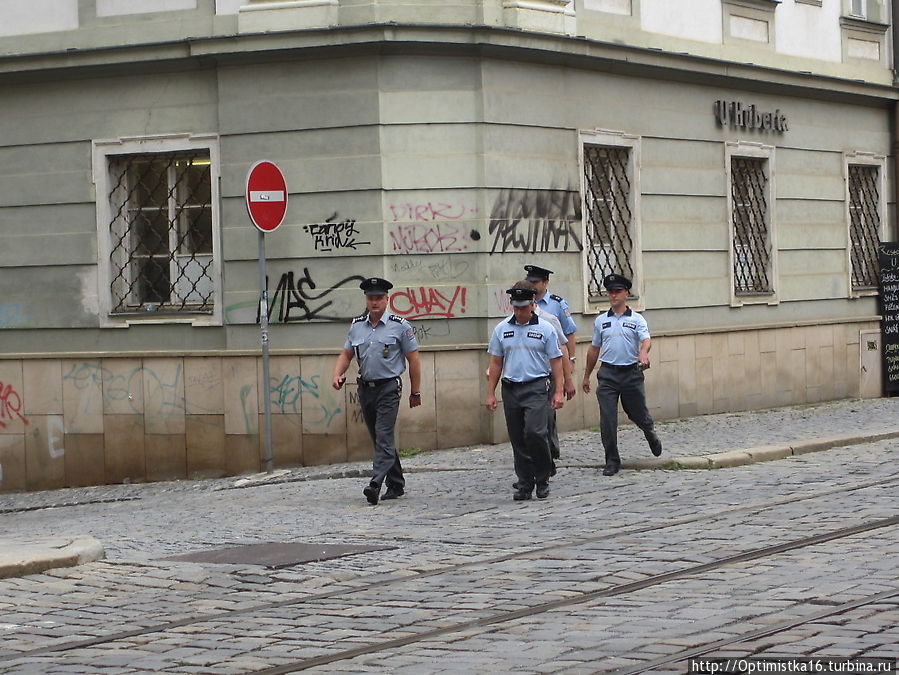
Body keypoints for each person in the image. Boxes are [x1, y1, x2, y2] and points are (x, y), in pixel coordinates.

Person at [332, 277, 422, 505]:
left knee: (383, 434)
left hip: (389, 387)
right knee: (379, 438)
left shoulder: (400, 326)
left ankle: (375, 484)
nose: (375, 302)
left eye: (379, 298)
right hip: (365, 388)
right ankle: (396, 483)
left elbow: (414, 360)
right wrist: (337, 373)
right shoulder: (357, 325)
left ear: (386, 299)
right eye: (371, 298)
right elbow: (346, 354)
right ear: (366, 299)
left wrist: (415, 392)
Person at [486, 285, 565, 501]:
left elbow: (556, 362)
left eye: (524, 308)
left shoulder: (546, 329)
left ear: (532, 305)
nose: (520, 312)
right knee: (518, 438)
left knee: (535, 433)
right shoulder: (501, 329)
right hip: (511, 388)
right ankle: (525, 483)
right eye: (516, 308)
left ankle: (542, 478)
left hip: (536, 387)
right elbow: (495, 363)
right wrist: (490, 393)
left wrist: (559, 390)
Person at [581, 273, 662, 476]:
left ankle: (649, 431)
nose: (613, 295)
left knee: (637, 413)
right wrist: (586, 375)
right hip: (608, 374)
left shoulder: (636, 319)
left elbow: (646, 340)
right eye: (610, 292)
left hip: (630, 374)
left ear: (626, 293)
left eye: (618, 291)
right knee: (608, 418)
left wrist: (643, 352)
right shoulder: (601, 321)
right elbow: (594, 349)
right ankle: (612, 459)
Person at [524, 265, 577, 460]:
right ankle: (545, 450)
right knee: (541, 415)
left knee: (548, 412)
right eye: (530, 282)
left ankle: (549, 448)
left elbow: (568, 335)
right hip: (532, 367)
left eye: (536, 282)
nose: (532, 285)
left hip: (551, 367)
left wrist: (570, 362)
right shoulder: (523, 304)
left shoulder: (557, 305)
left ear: (545, 283)